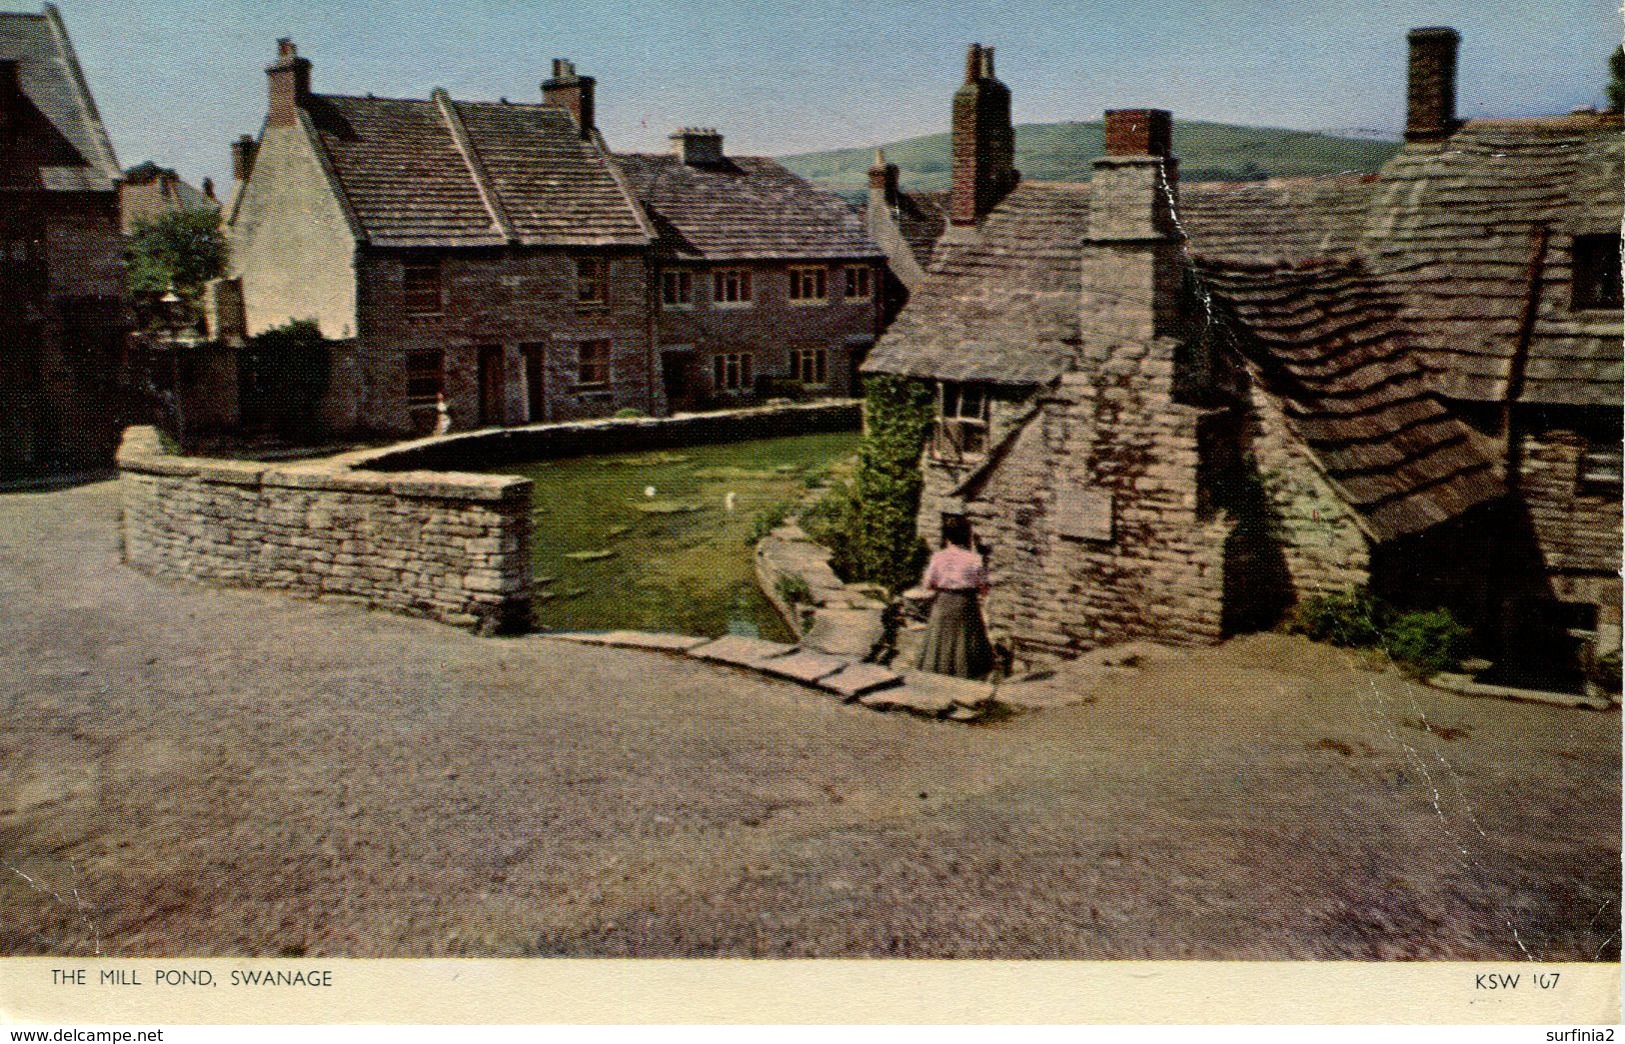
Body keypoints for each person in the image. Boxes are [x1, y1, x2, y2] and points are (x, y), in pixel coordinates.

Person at [915, 516, 995, 679]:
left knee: (940, 641)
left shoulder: (938, 557)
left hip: (943, 602)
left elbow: (928, 584)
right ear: (967, 536)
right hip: (966, 603)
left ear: (947, 537)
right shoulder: (975, 559)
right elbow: (984, 588)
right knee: (965, 641)